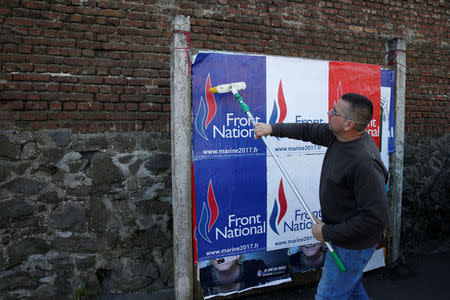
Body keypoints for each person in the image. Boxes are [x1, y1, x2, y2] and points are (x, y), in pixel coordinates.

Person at [254, 93, 389, 300]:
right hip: (342, 236)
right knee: (350, 288)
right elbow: (307, 130)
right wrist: (272, 129)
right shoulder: (338, 136)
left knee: (328, 296)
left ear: (348, 124)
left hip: (353, 245)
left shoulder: (365, 164)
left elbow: (375, 219)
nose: (329, 112)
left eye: (335, 111)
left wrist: (327, 231)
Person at [199, 255, 267, 296]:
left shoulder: (255, 269)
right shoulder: (199, 277)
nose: (220, 256)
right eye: (215, 249)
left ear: (238, 254)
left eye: (227, 248)